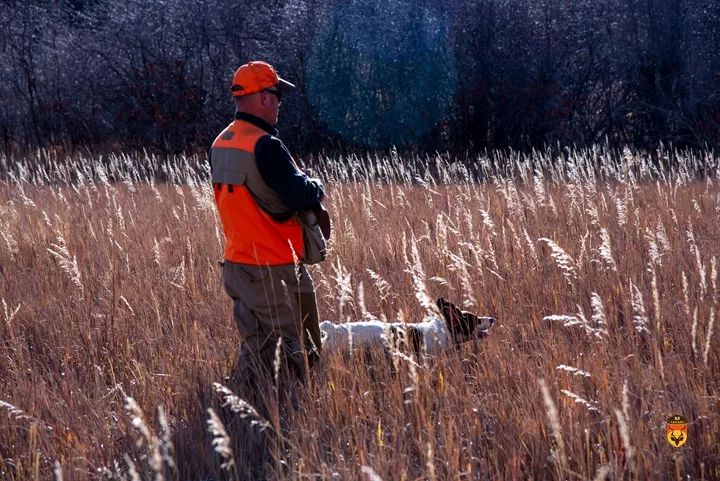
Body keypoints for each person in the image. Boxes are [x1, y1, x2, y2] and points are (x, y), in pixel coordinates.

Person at [210, 61, 325, 395]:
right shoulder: (265, 145)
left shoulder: (221, 142)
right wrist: (315, 185)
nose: (279, 104)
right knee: (291, 351)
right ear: (262, 98)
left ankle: (235, 406)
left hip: (238, 265)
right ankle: (283, 419)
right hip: (274, 266)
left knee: (257, 347)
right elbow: (295, 194)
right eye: (276, 95)